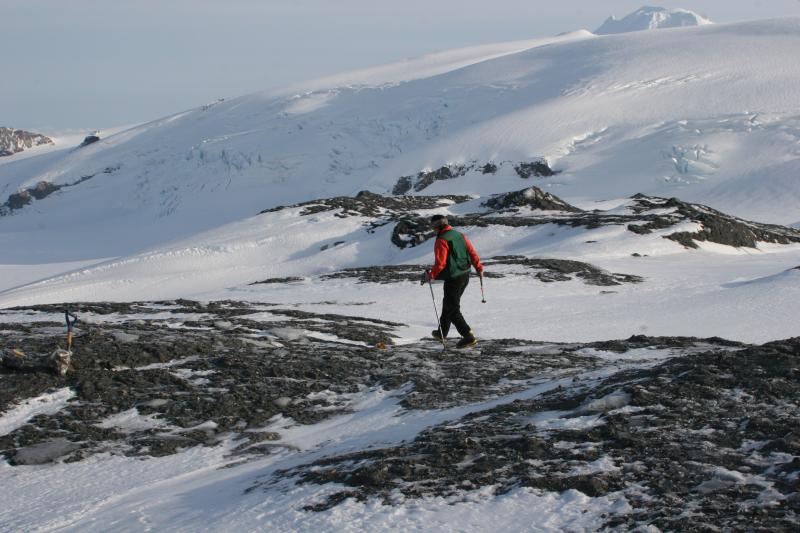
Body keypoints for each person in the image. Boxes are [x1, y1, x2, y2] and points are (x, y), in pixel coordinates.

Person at [421, 214, 483, 348]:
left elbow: (440, 264)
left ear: (436, 226)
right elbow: (472, 252)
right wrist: (478, 268)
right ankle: (441, 332)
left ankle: (468, 336)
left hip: (453, 278)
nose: (433, 230)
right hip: (465, 274)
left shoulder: (441, 240)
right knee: (449, 303)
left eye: (433, 227)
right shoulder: (460, 235)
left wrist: (430, 276)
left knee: (453, 309)